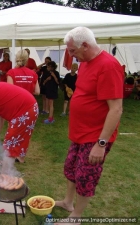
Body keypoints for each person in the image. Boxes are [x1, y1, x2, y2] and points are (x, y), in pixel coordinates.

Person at [54, 27, 123, 225]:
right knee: (70, 168)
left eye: (73, 51)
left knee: (85, 176)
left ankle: (76, 217)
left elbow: (116, 109)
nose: (71, 55)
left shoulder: (108, 66)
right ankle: (68, 203)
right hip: (79, 132)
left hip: (95, 136)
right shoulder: (84, 63)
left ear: (85, 45)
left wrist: (101, 144)